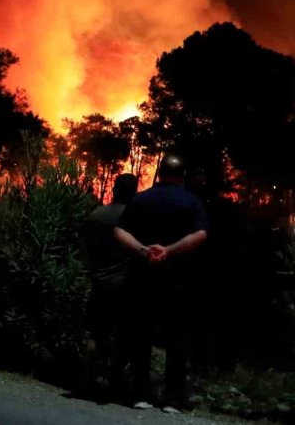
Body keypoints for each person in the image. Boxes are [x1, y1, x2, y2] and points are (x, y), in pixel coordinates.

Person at [114, 154, 208, 411]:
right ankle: (172, 399)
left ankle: (140, 394)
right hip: (178, 280)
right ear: (182, 176)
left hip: (143, 277)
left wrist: (144, 250)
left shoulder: (140, 200)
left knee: (141, 335)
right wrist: (170, 250)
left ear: (159, 173)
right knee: (176, 337)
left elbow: (120, 231)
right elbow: (200, 234)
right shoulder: (191, 202)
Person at [81, 173, 139, 397]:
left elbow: (85, 248)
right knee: (123, 337)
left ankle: (89, 379)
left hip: (100, 283)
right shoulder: (135, 218)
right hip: (126, 285)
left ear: (114, 189)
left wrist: (93, 271)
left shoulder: (97, 214)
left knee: (96, 333)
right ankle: (115, 383)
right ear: (134, 192)